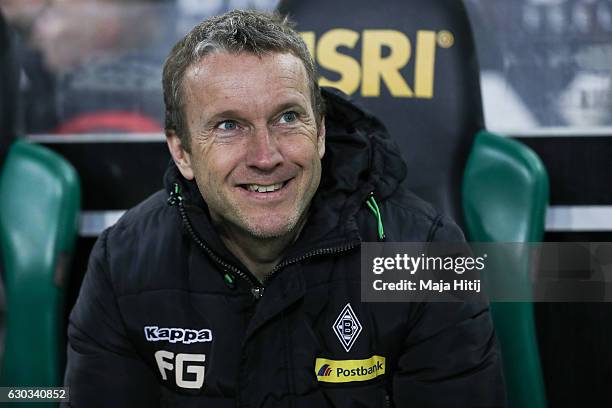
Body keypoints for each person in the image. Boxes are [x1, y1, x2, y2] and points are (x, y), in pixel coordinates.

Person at [64, 10, 505, 407]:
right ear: (181, 152)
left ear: (321, 133)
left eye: (288, 117)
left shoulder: (428, 254)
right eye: (229, 125)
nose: (266, 155)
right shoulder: (123, 261)